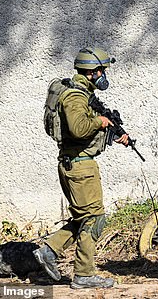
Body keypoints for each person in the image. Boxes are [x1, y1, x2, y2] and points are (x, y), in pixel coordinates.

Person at [34, 47, 129, 289]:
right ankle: (84, 275)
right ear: (92, 72)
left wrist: (112, 132)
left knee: (84, 217)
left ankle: (49, 251)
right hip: (80, 167)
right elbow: (78, 128)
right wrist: (100, 122)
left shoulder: (79, 92)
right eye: (102, 70)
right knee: (95, 218)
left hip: (75, 164)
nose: (104, 74)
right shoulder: (76, 96)